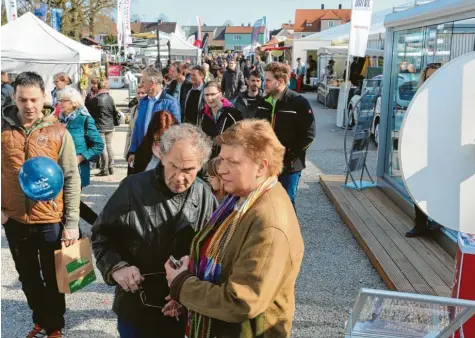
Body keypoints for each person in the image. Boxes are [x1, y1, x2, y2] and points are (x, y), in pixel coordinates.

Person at [163, 119, 305, 338]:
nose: (221, 170)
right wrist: (192, 269)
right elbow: (224, 256)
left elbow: (241, 301)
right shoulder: (243, 198)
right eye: (221, 160)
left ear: (261, 166)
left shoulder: (268, 222)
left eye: (232, 162)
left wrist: (182, 285)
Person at [91, 124, 218, 338]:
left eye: (188, 170)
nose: (179, 177)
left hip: (184, 304)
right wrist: (116, 267)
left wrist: (188, 290)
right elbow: (101, 235)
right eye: (173, 166)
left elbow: (214, 252)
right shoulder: (133, 188)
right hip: (137, 303)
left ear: (201, 165)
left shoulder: (204, 194)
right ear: (161, 154)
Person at [1, 71, 81, 338]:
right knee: (28, 278)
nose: (29, 106)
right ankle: (40, 319)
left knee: (55, 277)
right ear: (15, 97)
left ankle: (55, 325)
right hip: (15, 220)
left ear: (44, 97)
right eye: (23, 100)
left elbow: (71, 177)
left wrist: (71, 223)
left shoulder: (58, 131)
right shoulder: (3, 130)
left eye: (34, 99)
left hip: (50, 220)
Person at [255, 62, 316, 209]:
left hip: (289, 166)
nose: (264, 83)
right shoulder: (263, 102)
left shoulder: (299, 102)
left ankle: (290, 232)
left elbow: (309, 134)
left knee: (286, 204)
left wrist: (290, 154)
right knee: (266, 204)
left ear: (280, 81)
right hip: (266, 164)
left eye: (268, 80)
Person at [57, 87, 104, 225]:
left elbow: (98, 145)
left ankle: (83, 232)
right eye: (59, 100)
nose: (59, 103)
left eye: (63, 101)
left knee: (70, 203)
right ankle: (99, 224)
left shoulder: (84, 119)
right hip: (60, 168)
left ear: (73, 103)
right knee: (70, 203)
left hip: (77, 170)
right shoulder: (59, 119)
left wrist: (80, 158)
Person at [406, 62, 443, 238]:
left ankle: (436, 219)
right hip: (421, 147)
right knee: (418, 187)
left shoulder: (450, 97)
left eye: (436, 76)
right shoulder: (420, 97)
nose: (432, 80)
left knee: (438, 186)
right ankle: (420, 224)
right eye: (428, 77)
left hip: (442, 149)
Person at [127, 67, 180, 170]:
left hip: (161, 154)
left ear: (152, 83)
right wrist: (132, 151)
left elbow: (176, 131)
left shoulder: (171, 103)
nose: (141, 84)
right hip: (142, 151)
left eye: (143, 81)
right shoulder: (143, 102)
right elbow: (137, 128)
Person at [85, 78, 119, 176]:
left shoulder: (95, 99)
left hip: (100, 126)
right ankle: (111, 167)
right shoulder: (110, 98)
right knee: (108, 145)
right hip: (110, 125)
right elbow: (113, 111)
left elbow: (88, 110)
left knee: (102, 147)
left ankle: (104, 169)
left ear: (98, 87)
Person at [200, 81, 243, 158]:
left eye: (213, 94)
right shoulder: (202, 114)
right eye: (206, 95)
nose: (209, 98)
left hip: (228, 159)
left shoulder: (234, 113)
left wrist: (224, 140)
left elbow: (241, 138)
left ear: (220, 94)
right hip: (207, 160)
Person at [124, 84, 147, 171]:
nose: (140, 95)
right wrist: (127, 151)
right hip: (133, 148)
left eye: (143, 93)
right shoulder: (134, 108)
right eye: (138, 93)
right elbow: (130, 131)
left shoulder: (148, 109)